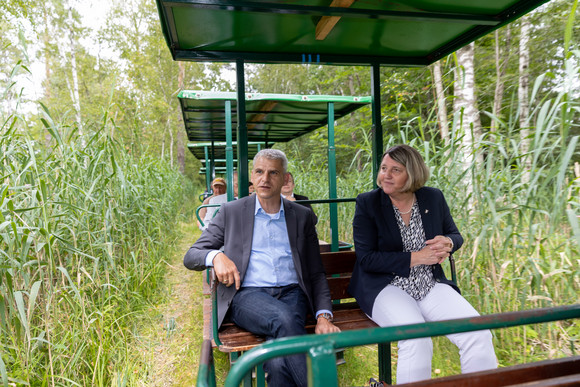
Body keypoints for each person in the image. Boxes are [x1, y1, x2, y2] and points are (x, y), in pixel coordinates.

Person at [184, 149, 340, 386]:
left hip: (292, 293)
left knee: (278, 364)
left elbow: (315, 271)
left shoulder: (301, 216)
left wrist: (324, 316)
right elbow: (191, 255)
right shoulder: (232, 212)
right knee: (284, 319)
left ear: (285, 178)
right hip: (247, 295)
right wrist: (216, 256)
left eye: (273, 173)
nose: (265, 179)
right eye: (259, 172)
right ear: (253, 176)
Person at [349, 144, 497, 384]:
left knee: (477, 333)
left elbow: (455, 234)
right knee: (416, 338)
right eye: (383, 168)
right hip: (385, 286)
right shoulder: (368, 203)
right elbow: (366, 259)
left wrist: (448, 242)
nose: (385, 175)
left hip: (429, 283)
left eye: (395, 170)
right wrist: (416, 257)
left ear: (413, 174)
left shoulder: (433, 197)